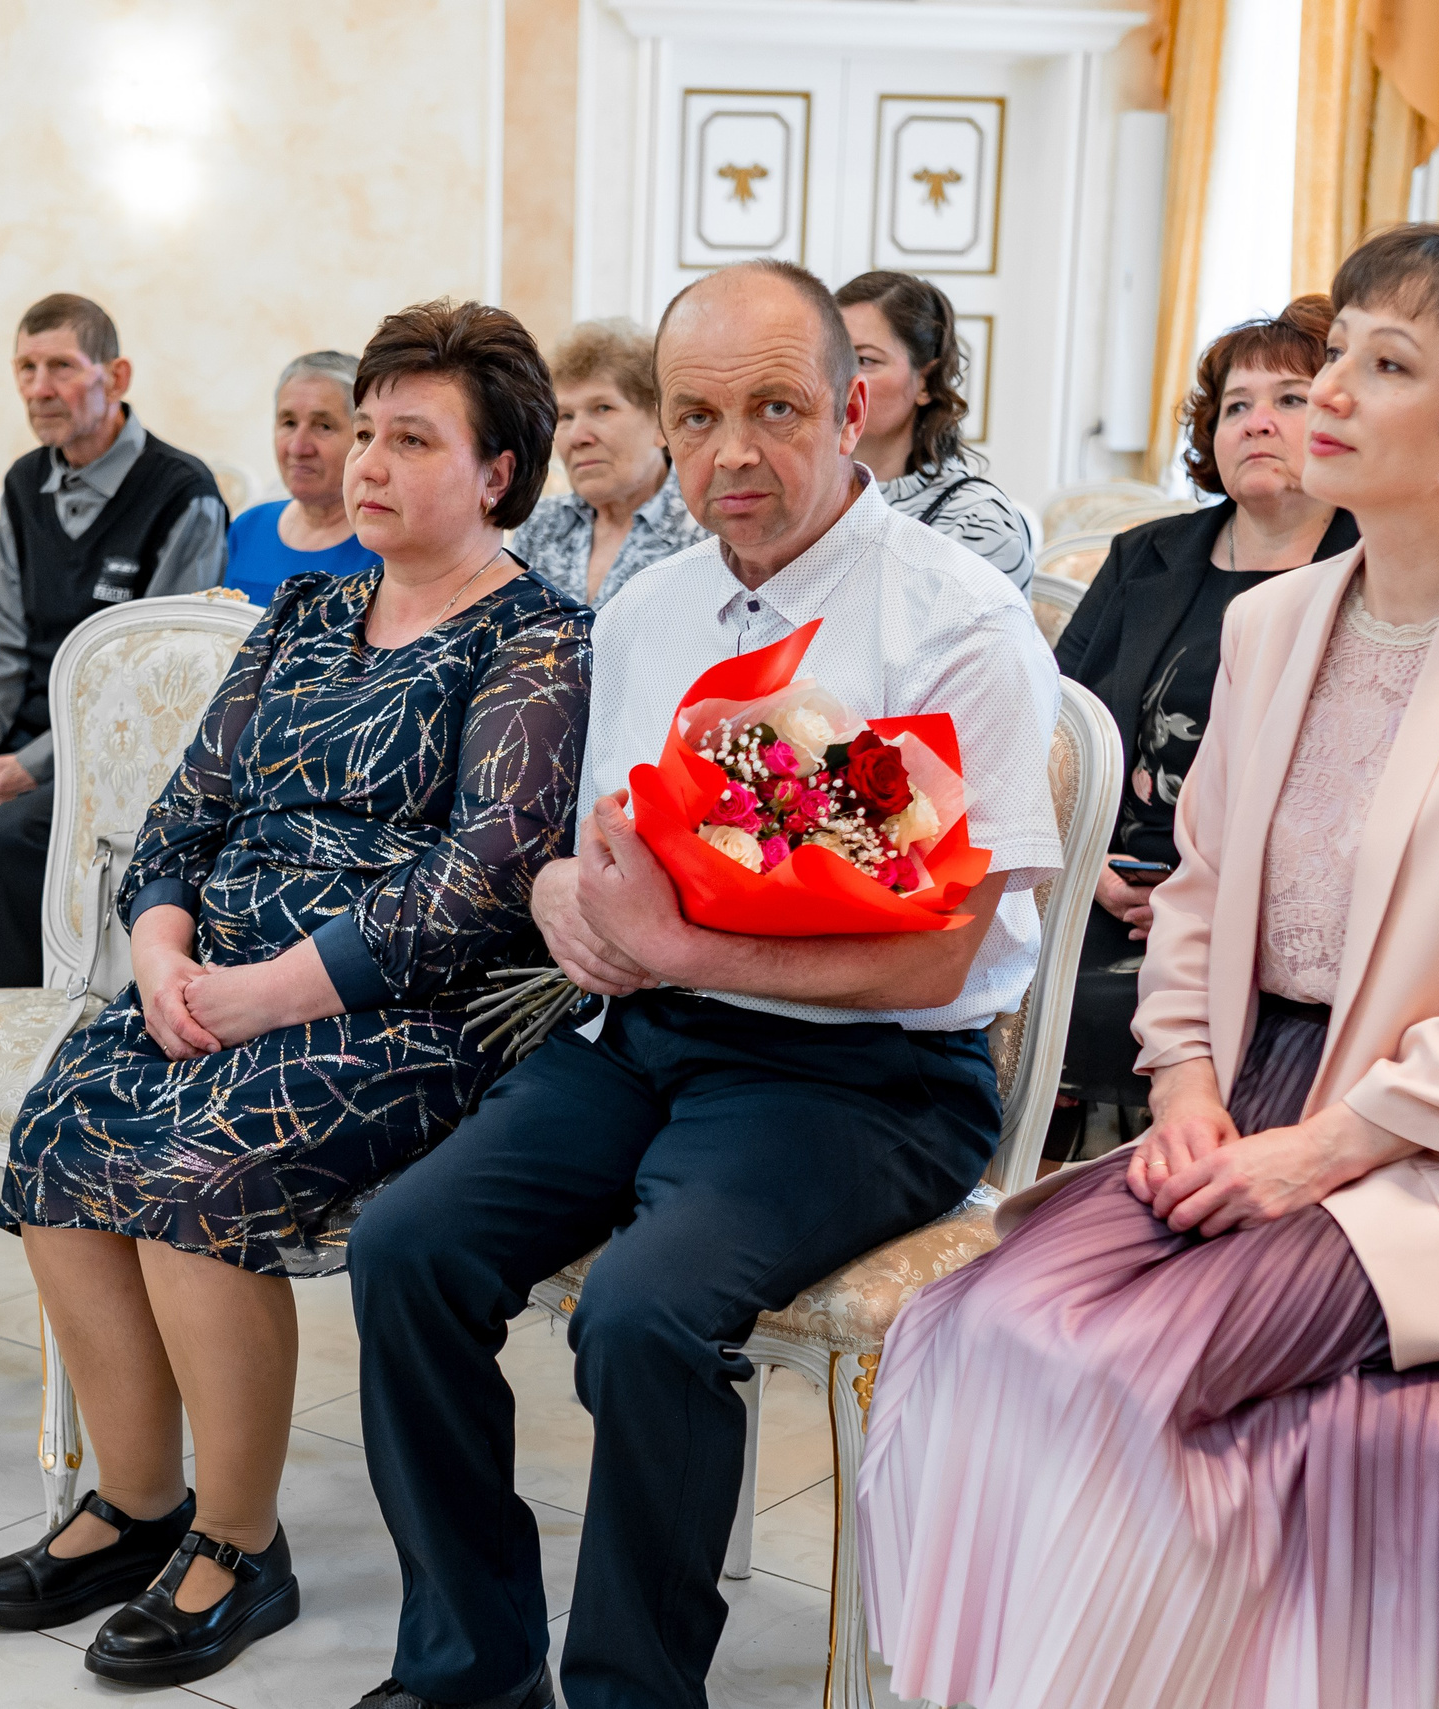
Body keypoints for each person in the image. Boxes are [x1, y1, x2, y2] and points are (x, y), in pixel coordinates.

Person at [854, 224, 1439, 1709]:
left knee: (1123, 1374)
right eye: (1337, 349)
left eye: (1386, 364)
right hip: (1245, 1084)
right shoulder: (1278, 616)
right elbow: (1204, 887)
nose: (1327, 390)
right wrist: (1179, 1082)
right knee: (979, 1327)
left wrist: (1316, 1157)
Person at [341, 259, 1061, 1709]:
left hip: (870, 1077)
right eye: (699, 415)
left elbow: (944, 951)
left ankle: (632, 1691)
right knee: (407, 1249)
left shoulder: (960, 622)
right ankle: (470, 1667)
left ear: (852, 408)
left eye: (777, 408)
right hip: (646, 1039)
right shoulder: (647, 612)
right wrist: (568, 903)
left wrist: (680, 949)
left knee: (645, 1314)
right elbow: (595, 851)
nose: (735, 454)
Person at [0, 300, 591, 1690]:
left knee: (198, 1163)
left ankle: (241, 1549)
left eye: (410, 438)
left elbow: (477, 885)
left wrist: (266, 999)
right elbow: (184, 809)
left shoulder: (538, 642)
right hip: (216, 974)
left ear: (498, 473)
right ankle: (137, 1505)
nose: (365, 461)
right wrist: (164, 951)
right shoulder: (305, 609)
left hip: (401, 1017)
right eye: (363, 430)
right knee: (62, 1129)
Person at [1047, 295, 1357, 1162]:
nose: (1258, 422)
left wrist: (1216, 904)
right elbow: (1057, 729)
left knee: (1125, 1008)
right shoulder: (1145, 556)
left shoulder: (1376, 569)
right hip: (1107, 886)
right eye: (1236, 405)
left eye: (1289, 399)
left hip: (1270, 915)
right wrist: (1090, 865)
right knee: (999, 978)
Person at [0, 293, 227, 990]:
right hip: (29, 737)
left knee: (5, 838)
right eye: (25, 367)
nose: (38, 388)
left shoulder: (184, 493)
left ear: (115, 377)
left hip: (121, 750)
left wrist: (27, 768)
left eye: (60, 366)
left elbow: (150, 683)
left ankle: (10, 1044)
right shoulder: (25, 482)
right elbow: (10, 648)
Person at [835, 270, 1035, 590]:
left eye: (865, 359)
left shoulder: (975, 522)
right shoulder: (798, 499)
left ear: (926, 381)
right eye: (832, 358)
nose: (840, 379)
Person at [511, 318, 707, 605]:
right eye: (565, 416)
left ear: (662, 425)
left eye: (602, 408)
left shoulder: (706, 531)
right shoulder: (540, 527)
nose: (577, 436)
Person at [221, 350, 379, 604]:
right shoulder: (248, 528)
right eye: (288, 423)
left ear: (364, 436)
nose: (298, 447)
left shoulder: (381, 545)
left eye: (323, 426)